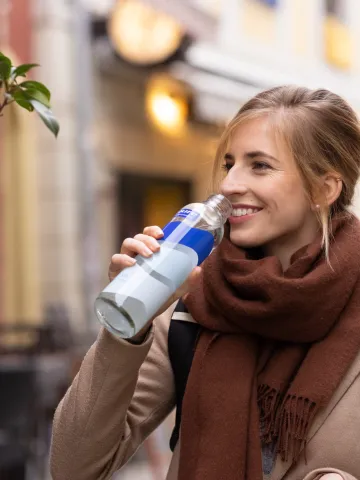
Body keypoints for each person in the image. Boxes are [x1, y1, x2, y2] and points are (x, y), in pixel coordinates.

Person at [50, 86, 360, 480]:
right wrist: (129, 321)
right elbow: (74, 467)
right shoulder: (193, 299)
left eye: (259, 165)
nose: (230, 184)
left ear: (324, 188)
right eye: (230, 164)